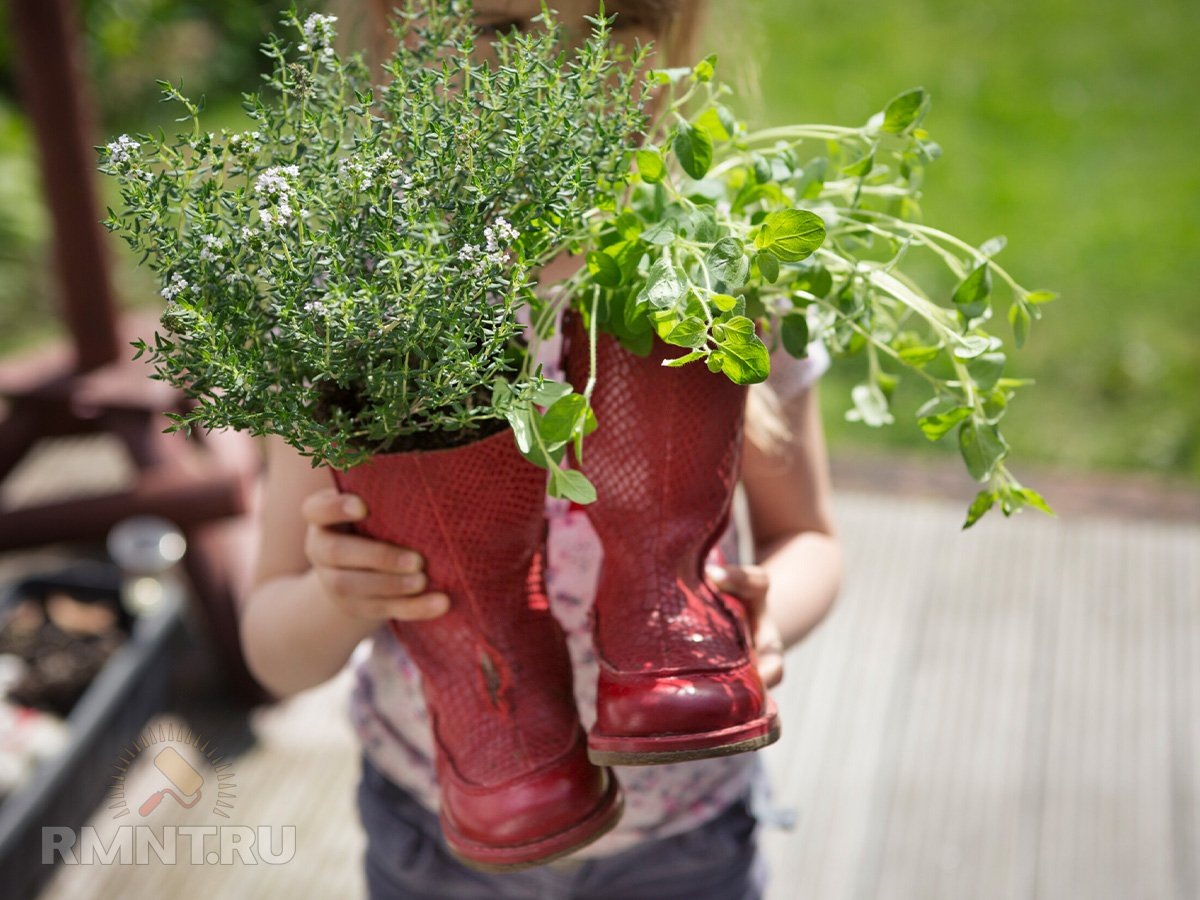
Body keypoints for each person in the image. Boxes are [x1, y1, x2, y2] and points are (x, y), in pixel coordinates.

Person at [238, 2, 844, 897]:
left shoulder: (713, 265)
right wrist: (340, 597)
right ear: (400, 32)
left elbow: (810, 537)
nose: (565, 70)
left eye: (619, 21)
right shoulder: (365, 302)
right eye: (505, 28)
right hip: (441, 828)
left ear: (677, 36)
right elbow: (271, 649)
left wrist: (765, 617)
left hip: (687, 824)